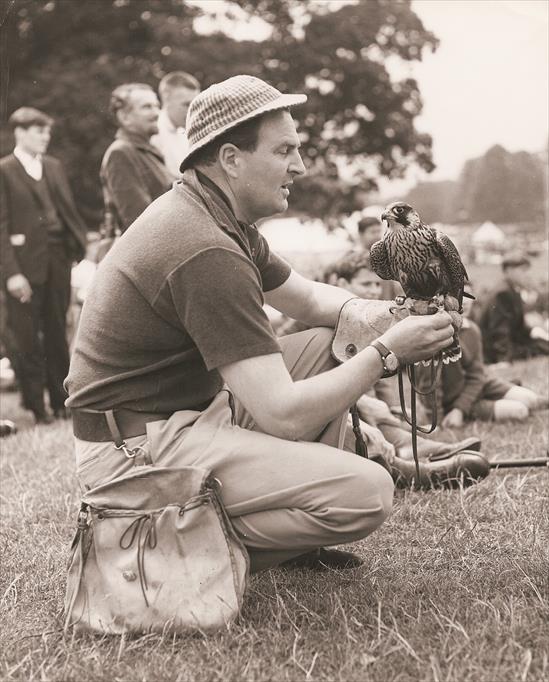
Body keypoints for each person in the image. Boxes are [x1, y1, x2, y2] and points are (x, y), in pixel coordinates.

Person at [66, 75, 457, 574]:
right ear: (231, 159)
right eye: (284, 150)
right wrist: (388, 352)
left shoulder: (214, 212)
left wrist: (387, 317)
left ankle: (273, 519)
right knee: (367, 493)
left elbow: (310, 298)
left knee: (327, 341)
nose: (300, 165)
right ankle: (157, 542)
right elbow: (283, 414)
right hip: (132, 453)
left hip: (180, 415)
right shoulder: (204, 247)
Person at [326, 251, 482, 460]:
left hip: (362, 407)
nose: (373, 290)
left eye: (377, 284)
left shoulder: (365, 319)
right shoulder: (311, 321)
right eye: (366, 284)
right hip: (333, 408)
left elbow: (377, 372)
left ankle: (406, 442)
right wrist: (361, 401)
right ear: (342, 283)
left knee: (389, 418)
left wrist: (392, 406)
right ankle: (408, 447)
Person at [0, 107, 87, 423]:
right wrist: (11, 274)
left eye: (47, 131)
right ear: (20, 132)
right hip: (23, 266)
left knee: (57, 332)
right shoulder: (5, 170)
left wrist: (76, 248)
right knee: (25, 337)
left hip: (57, 259)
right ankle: (36, 407)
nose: (45, 137)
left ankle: (62, 403)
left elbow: (67, 211)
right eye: (39, 131)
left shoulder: (53, 166)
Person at [425, 284, 547, 426]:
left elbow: (477, 375)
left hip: (480, 385)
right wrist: (445, 416)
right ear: (443, 300)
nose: (465, 300)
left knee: (531, 399)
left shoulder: (472, 329)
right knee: (520, 411)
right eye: (456, 295)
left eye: (468, 295)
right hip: (455, 401)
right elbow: (428, 384)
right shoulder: (436, 334)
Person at [100, 83, 173, 235]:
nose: (156, 113)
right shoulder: (121, 153)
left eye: (157, 106)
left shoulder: (146, 151)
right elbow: (140, 222)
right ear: (124, 117)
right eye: (147, 107)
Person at [480, 254, 549, 364]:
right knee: (541, 347)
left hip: (509, 343)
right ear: (509, 271)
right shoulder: (503, 293)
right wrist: (503, 359)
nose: (527, 274)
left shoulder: (512, 289)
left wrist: (533, 331)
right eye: (523, 270)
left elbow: (517, 325)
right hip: (494, 350)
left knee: (542, 343)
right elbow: (499, 331)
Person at [151, 71, 201, 179]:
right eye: (186, 105)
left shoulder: (185, 132)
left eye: (194, 105)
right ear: (166, 99)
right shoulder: (153, 134)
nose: (191, 112)